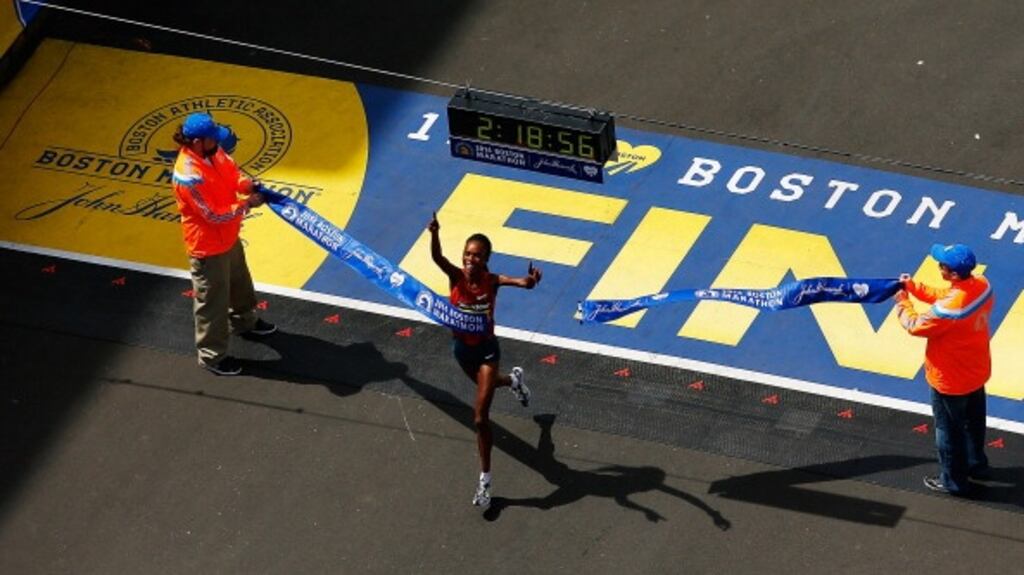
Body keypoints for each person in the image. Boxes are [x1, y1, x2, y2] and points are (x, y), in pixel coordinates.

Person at [428, 212, 542, 509]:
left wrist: (530, 280)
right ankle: (513, 380)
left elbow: (522, 282)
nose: (470, 259)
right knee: (489, 387)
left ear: (486, 258)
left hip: (488, 353)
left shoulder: (493, 281)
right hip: (462, 352)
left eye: (476, 255)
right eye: (467, 253)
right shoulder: (456, 277)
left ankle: (485, 481)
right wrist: (434, 233)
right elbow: (438, 258)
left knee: (480, 418)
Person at [171, 112, 277, 376]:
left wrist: (249, 185)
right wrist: (246, 204)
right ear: (197, 141)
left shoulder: (215, 153)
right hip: (207, 245)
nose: (217, 142)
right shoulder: (188, 176)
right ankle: (211, 355)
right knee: (212, 302)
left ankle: (245, 321)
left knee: (240, 281)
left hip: (228, 236)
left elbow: (233, 176)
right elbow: (212, 214)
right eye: (212, 138)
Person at [894, 243, 994, 495]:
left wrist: (903, 301)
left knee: (947, 431)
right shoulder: (982, 285)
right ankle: (976, 464)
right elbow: (948, 296)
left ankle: (953, 481)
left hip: (949, 379)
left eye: (942, 265)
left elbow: (914, 325)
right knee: (974, 423)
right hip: (976, 370)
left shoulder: (950, 309)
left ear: (953, 273)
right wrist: (915, 287)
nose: (938, 266)